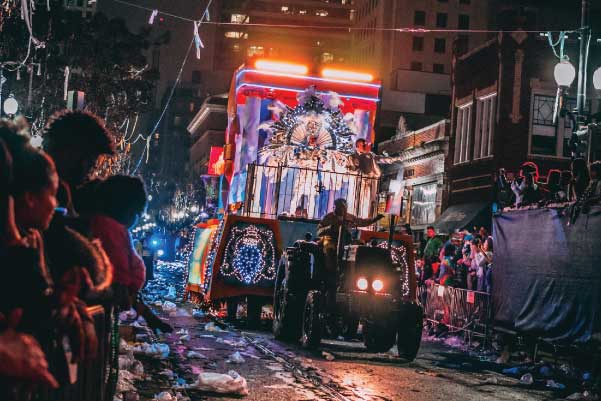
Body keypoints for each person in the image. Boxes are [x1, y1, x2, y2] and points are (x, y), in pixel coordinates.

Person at [87, 176, 172, 333]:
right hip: (96, 316)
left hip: (101, 313)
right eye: (137, 213)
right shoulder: (110, 230)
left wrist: (149, 316)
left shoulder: (106, 226)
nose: (136, 219)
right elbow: (120, 283)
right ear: (127, 208)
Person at [317, 198, 384, 306]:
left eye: (343, 207)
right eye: (338, 207)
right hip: (331, 240)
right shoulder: (328, 217)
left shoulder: (349, 217)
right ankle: (331, 272)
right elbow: (319, 231)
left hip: (346, 240)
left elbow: (362, 222)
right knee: (329, 250)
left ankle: (359, 273)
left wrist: (375, 219)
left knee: (360, 246)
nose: (341, 210)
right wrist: (330, 228)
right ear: (335, 207)